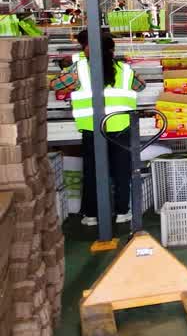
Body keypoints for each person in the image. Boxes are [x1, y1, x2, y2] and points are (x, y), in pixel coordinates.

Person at [50, 35, 146, 227]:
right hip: (120, 127)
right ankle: (122, 212)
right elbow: (140, 86)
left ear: (90, 50)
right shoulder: (125, 70)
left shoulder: (80, 70)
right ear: (112, 51)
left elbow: (55, 85)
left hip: (93, 128)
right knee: (121, 171)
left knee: (93, 171)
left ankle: (91, 215)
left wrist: (68, 71)